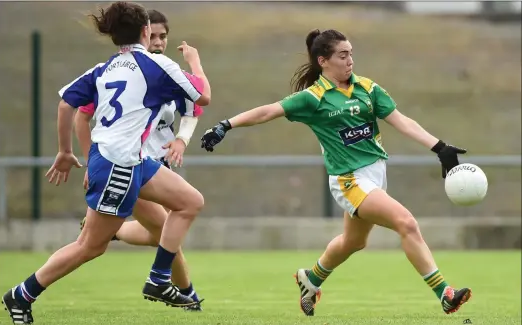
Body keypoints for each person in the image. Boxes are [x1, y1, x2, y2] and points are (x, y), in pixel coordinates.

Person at [200, 29, 471, 317]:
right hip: (349, 179)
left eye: (351, 53)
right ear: (323, 61)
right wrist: (225, 125)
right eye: (343, 55)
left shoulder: (367, 88)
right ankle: (445, 293)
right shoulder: (312, 98)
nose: (350, 60)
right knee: (406, 223)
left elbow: (401, 121)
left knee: (354, 241)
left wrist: (439, 147)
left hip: (376, 174)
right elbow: (268, 111)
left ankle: (311, 279)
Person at [2, 2, 211, 324]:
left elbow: (65, 105)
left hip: (128, 159)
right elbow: (203, 97)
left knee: (190, 202)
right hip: (119, 164)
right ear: (145, 31)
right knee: (90, 246)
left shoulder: (104, 68)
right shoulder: (158, 64)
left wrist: (64, 151)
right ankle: (22, 293)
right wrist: (195, 62)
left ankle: (159, 278)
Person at [75, 9, 204, 311]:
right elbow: (82, 118)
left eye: (163, 36)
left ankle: (118, 232)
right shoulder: (127, 72)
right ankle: (188, 297)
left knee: (164, 232)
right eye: (153, 35)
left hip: (157, 165)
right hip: (130, 164)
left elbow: (192, 111)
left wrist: (182, 140)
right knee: (168, 231)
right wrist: (89, 161)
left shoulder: (169, 73)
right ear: (143, 34)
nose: (158, 42)